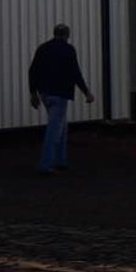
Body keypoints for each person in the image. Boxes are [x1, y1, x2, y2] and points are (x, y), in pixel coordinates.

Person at [28, 22, 94, 175]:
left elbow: (33, 70)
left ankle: (60, 160)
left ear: (54, 33)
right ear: (67, 35)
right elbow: (75, 73)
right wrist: (86, 92)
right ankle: (46, 164)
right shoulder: (68, 50)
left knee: (62, 125)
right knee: (55, 129)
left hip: (45, 93)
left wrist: (33, 93)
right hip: (60, 93)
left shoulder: (43, 48)